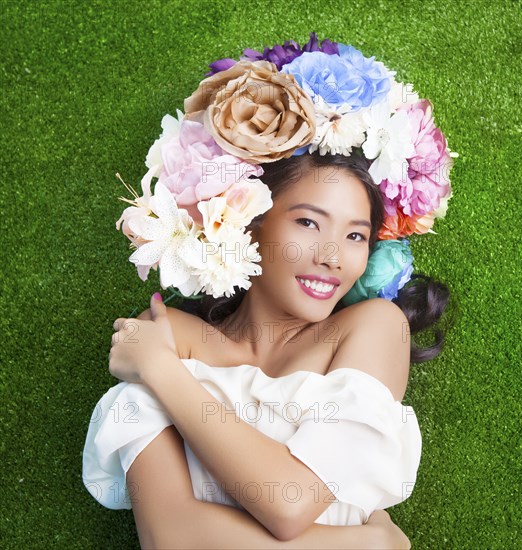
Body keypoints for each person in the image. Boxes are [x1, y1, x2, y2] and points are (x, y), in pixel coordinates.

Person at [82, 33, 454, 549]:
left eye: (355, 236)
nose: (333, 256)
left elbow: (291, 502)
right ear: (246, 221)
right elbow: (171, 538)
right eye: (307, 223)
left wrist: (162, 372)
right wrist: (371, 545)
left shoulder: (371, 328)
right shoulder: (167, 337)